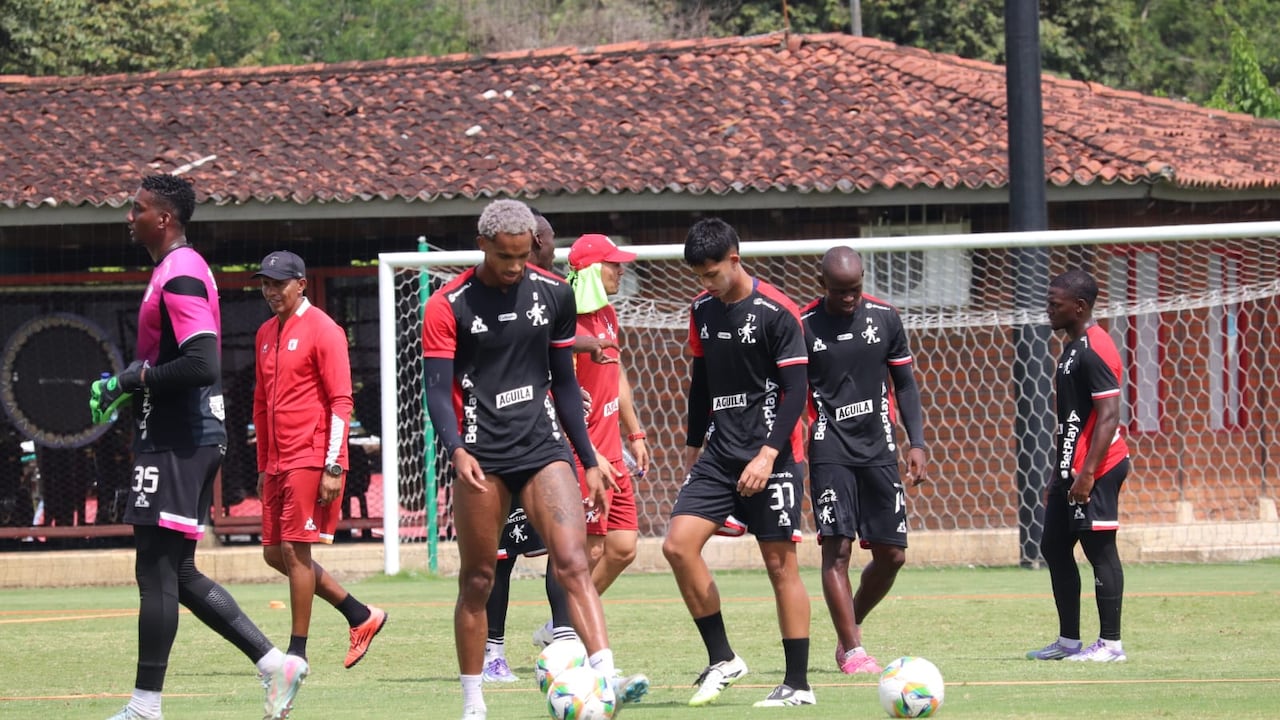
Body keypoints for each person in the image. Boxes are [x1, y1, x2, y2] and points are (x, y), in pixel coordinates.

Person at [90, 174, 305, 720]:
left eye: (135, 208)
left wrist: (128, 382)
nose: (128, 216)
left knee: (155, 571)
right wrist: (130, 384)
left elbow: (202, 363)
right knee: (178, 573)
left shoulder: (181, 271)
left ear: (163, 218)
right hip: (173, 435)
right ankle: (273, 663)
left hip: (178, 438)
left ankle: (145, 707)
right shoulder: (172, 269)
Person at [422, 199, 646, 719]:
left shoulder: (554, 294)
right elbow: (437, 391)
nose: (516, 266)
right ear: (483, 246)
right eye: (506, 257)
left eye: (524, 255)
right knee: (478, 577)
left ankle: (606, 677)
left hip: (543, 449)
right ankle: (474, 701)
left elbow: (565, 383)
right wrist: (455, 449)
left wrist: (587, 458)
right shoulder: (447, 304)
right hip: (481, 455)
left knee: (573, 563)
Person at [662, 217, 815, 708]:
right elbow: (701, 380)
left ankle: (797, 685)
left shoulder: (778, 312)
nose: (705, 284)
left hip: (774, 455)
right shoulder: (701, 309)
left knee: (779, 565)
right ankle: (724, 658)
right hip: (719, 454)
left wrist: (769, 454)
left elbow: (797, 391)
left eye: (712, 273)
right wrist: (692, 443)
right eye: (698, 277)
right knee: (677, 546)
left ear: (734, 259)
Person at [252, 250, 388, 671]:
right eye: (265, 283)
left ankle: (297, 651)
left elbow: (341, 401)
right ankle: (359, 615)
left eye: (279, 283)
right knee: (274, 554)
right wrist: (261, 464)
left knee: (295, 552)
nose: (271, 291)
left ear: (301, 284)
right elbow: (260, 403)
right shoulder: (263, 333)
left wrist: (334, 465)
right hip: (276, 461)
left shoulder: (324, 330)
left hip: (311, 456)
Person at [801, 247, 929, 674]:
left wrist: (917, 443)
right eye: (840, 292)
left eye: (855, 289)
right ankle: (854, 650)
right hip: (829, 448)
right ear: (824, 287)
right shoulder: (802, 325)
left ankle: (847, 629)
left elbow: (906, 385)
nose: (850, 298)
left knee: (893, 554)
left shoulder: (886, 318)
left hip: (879, 448)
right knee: (837, 552)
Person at [480, 208, 582, 683]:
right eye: (552, 239)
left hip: (544, 444)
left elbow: (553, 361)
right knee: (499, 558)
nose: (555, 247)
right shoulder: (485, 297)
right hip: (498, 445)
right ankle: (492, 653)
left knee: (565, 547)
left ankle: (565, 642)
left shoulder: (557, 291)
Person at [1027, 269, 1130, 663]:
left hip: (1099, 467)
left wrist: (1087, 473)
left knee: (1099, 549)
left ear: (1079, 307)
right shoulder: (1071, 348)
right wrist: (1062, 473)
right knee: (1053, 546)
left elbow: (1108, 416)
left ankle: (1111, 645)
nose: (1048, 309)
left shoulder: (1095, 346)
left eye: (1055, 304)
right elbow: (1074, 420)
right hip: (1072, 468)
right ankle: (1069, 641)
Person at [566, 234, 649, 592]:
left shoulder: (608, 313)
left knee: (622, 546)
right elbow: (560, 393)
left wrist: (635, 433)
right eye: (613, 263)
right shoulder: (565, 321)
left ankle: (565, 625)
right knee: (591, 548)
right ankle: (571, 630)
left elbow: (616, 374)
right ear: (592, 270)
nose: (620, 269)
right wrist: (589, 453)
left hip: (613, 451)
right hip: (586, 453)